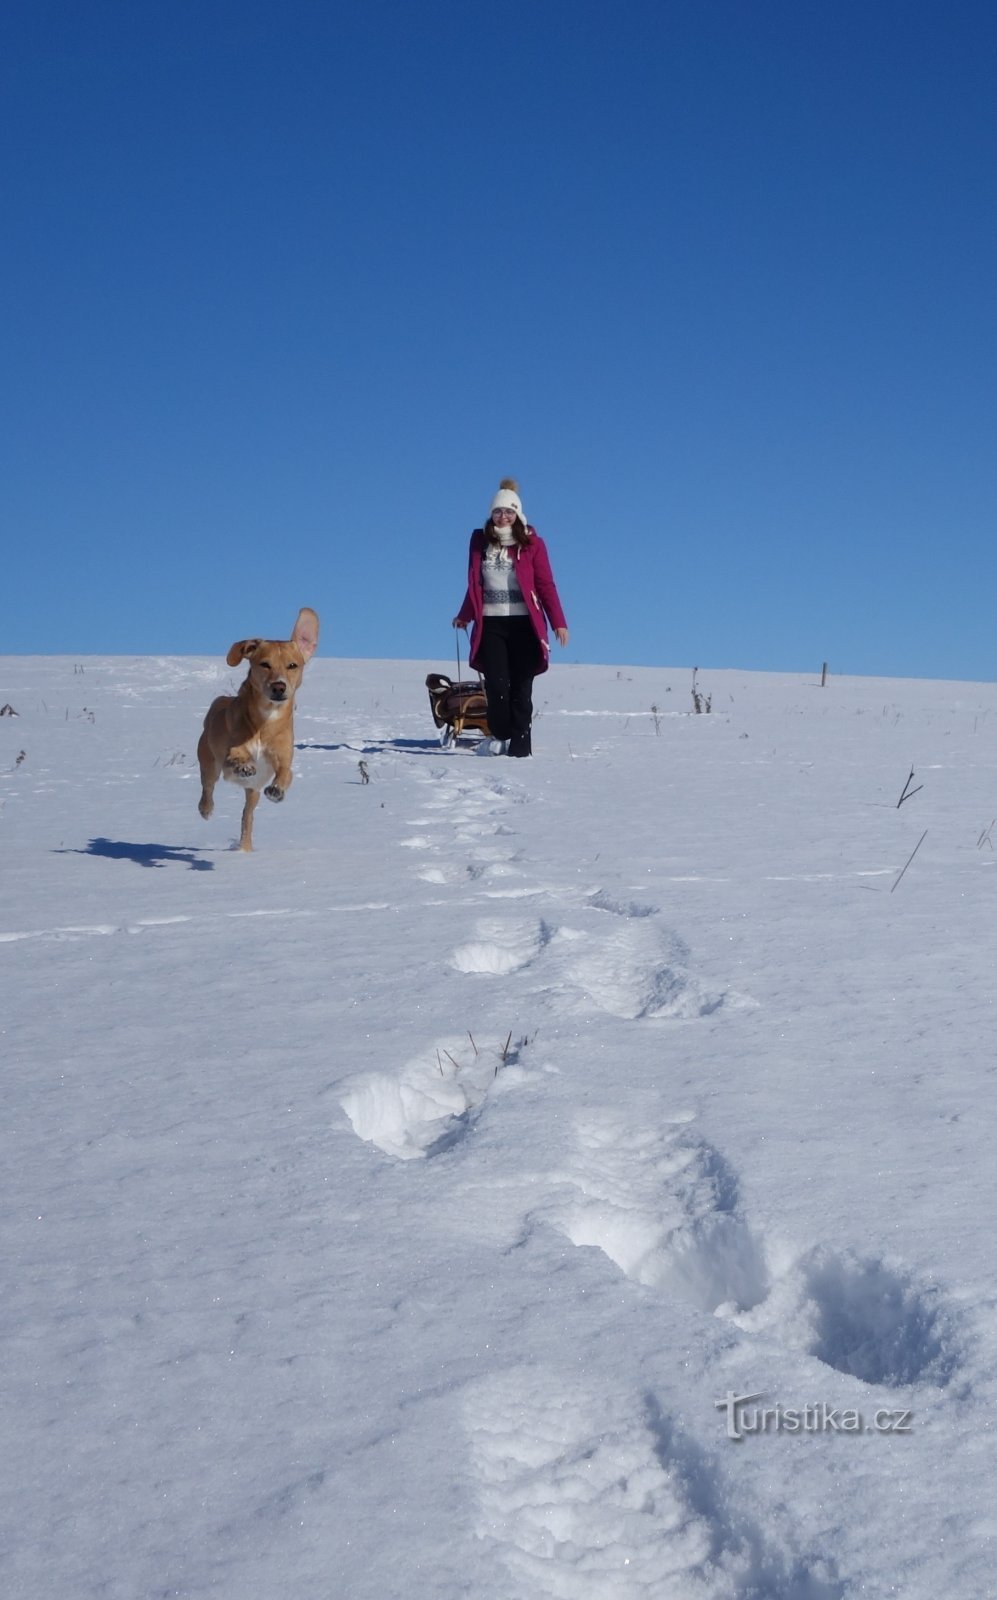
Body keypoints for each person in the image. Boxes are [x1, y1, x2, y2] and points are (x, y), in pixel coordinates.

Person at [452, 478, 569, 757]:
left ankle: (520, 748)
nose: (503, 516)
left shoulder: (532, 544)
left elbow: (545, 585)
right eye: (497, 512)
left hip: (525, 625)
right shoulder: (480, 543)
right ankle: (501, 731)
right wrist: (465, 615)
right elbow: (475, 586)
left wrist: (558, 622)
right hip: (491, 623)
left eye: (508, 512)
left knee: (521, 686)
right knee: (497, 684)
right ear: (491, 514)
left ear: (517, 515)